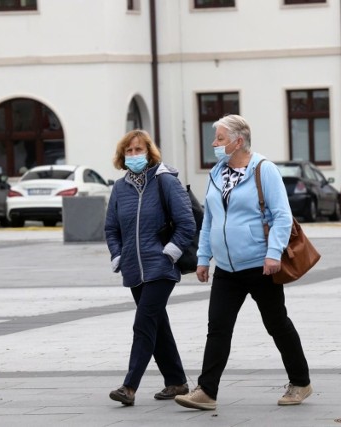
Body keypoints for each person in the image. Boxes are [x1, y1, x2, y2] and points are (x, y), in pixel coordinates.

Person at [174, 115, 312, 411]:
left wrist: (273, 253)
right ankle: (207, 392)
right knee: (218, 328)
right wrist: (203, 258)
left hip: (260, 265)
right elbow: (209, 218)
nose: (214, 144)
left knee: (277, 324)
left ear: (238, 141)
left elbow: (282, 216)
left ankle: (300, 382)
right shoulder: (216, 173)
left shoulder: (264, 170)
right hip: (226, 268)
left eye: (220, 139)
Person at [105, 129, 196, 406]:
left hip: (161, 267)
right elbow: (111, 228)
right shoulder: (120, 188)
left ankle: (129, 387)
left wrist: (169, 252)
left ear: (149, 152)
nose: (134, 155)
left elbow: (187, 223)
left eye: (138, 150)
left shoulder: (164, 181)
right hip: (133, 269)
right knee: (158, 324)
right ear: (123, 156)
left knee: (143, 323)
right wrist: (118, 255)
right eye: (129, 151)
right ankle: (177, 382)